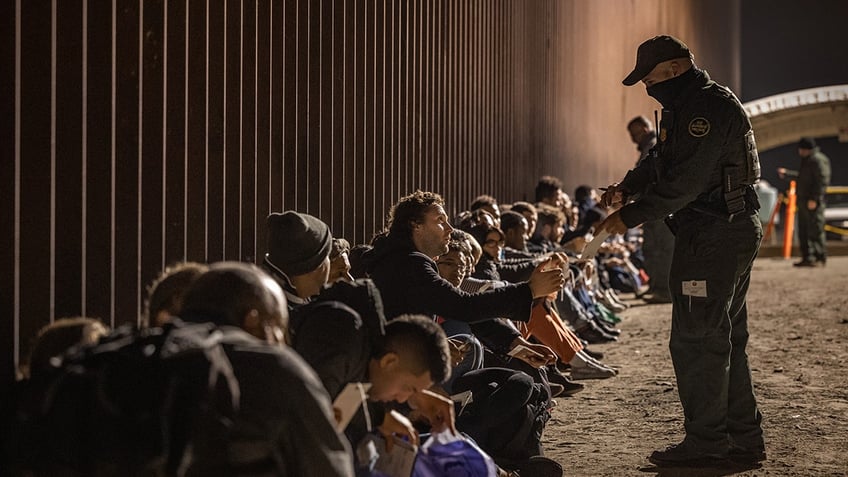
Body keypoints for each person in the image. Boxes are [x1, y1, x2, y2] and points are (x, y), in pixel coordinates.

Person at [597, 35, 765, 467]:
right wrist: (627, 187)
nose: (647, 88)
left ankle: (708, 444)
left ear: (675, 69)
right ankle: (742, 439)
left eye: (650, 79)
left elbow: (684, 183)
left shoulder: (705, 111)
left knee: (697, 341)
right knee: (725, 338)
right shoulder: (688, 106)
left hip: (712, 235)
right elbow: (661, 160)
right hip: (720, 231)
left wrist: (629, 216)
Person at [179, 262, 354, 476]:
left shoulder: (139, 353)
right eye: (279, 329)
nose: (281, 342)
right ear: (252, 319)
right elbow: (329, 469)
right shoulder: (274, 369)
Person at [627, 116, 674, 303]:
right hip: (656, 207)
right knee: (655, 249)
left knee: (659, 250)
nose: (633, 139)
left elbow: (647, 176)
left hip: (657, 208)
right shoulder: (654, 144)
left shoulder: (653, 146)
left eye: (635, 134)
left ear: (645, 129)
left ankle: (662, 289)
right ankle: (657, 286)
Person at [779, 137, 831, 267]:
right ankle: (808, 258)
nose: (799, 152)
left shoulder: (817, 160)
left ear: (805, 149)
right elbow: (802, 178)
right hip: (803, 201)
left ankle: (818, 257)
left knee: (815, 229)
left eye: (801, 149)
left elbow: (822, 181)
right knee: (804, 229)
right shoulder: (809, 160)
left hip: (812, 201)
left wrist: (815, 199)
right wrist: (787, 174)